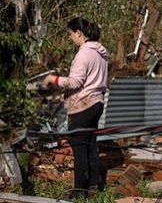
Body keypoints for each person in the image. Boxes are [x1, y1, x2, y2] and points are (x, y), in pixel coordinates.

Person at [42, 17, 108, 197]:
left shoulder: (84, 53)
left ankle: (79, 191)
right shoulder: (100, 54)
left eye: (70, 34)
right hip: (96, 103)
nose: (70, 37)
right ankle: (94, 186)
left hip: (82, 105)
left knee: (79, 148)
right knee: (90, 145)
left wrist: (53, 79)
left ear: (79, 33)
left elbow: (74, 82)